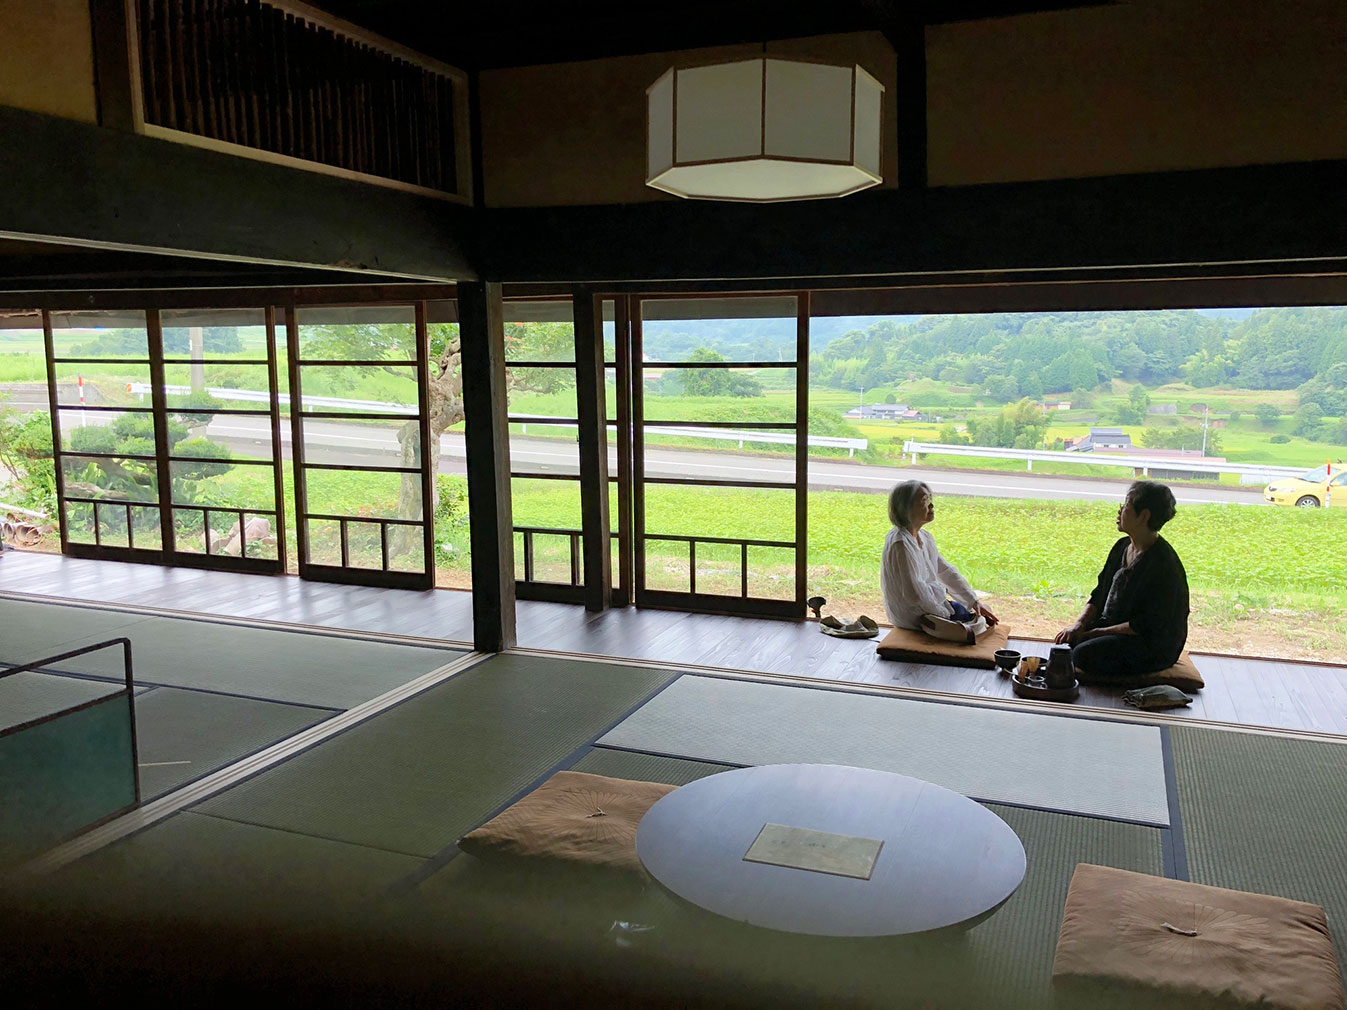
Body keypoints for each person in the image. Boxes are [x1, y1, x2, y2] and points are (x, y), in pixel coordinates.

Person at [1055, 480, 1189, 679]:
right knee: (1068, 642)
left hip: (1151, 643)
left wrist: (1095, 633)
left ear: (1144, 516)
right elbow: (1099, 593)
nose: (1119, 511)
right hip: (1116, 629)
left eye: (1126, 505)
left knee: (1082, 654)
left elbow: (1145, 625)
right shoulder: (1122, 546)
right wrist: (1079, 625)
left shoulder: (1162, 564)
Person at [880, 480, 998, 634]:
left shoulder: (924, 537)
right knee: (975, 625)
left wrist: (974, 602)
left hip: (930, 607)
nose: (931, 505)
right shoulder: (900, 544)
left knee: (978, 614)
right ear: (906, 508)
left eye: (930, 499)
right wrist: (945, 616)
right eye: (924, 501)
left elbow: (945, 571)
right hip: (914, 616)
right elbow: (914, 594)